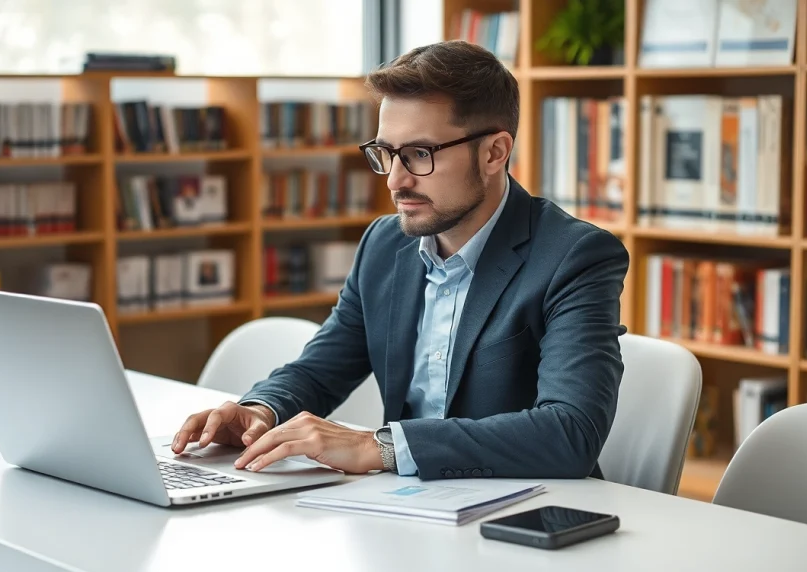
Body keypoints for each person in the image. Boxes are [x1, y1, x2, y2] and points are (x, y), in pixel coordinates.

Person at [171, 40, 630, 481]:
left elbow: (571, 432)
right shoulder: (385, 243)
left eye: (418, 154)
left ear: (494, 152)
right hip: (408, 504)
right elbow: (321, 369)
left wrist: (380, 447)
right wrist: (258, 410)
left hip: (525, 509)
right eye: (386, 153)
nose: (394, 181)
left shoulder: (575, 256)